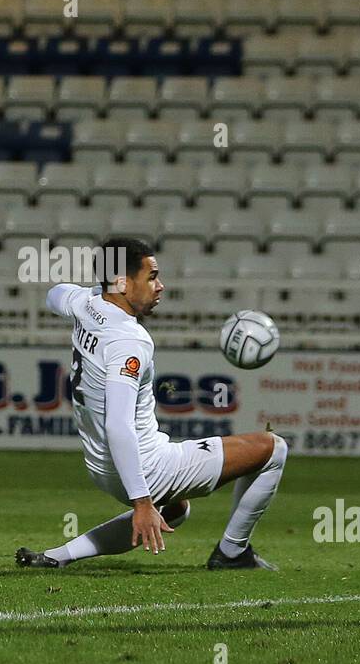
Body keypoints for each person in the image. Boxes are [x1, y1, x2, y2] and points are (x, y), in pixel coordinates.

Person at [15, 237, 288, 570]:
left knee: (176, 508)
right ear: (122, 282)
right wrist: (142, 501)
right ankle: (233, 552)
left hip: (102, 467)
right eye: (152, 276)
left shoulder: (85, 304)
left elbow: (54, 293)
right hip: (146, 467)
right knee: (273, 448)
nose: (160, 286)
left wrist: (92, 293)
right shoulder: (128, 341)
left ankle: (56, 557)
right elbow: (118, 424)